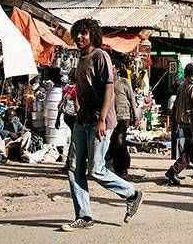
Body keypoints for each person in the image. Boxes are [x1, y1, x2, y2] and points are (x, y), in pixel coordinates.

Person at [62, 18, 143, 232]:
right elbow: (80, 88)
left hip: (101, 121)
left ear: (93, 35)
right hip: (83, 120)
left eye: (84, 33)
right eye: (77, 33)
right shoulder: (80, 58)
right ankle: (84, 215)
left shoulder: (101, 56)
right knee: (73, 168)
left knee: (96, 169)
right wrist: (79, 109)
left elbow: (108, 89)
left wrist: (101, 119)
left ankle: (132, 194)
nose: (79, 37)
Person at [165, 63, 193, 185]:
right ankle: (173, 171)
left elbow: (177, 105)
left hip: (183, 122)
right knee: (190, 149)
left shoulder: (182, 86)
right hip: (192, 123)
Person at [108, 67, 139, 178]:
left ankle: (123, 168)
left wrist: (135, 116)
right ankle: (116, 167)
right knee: (113, 142)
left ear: (116, 70)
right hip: (111, 117)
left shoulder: (124, 82)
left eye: (112, 68)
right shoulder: (107, 82)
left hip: (123, 117)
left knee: (120, 141)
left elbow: (132, 99)